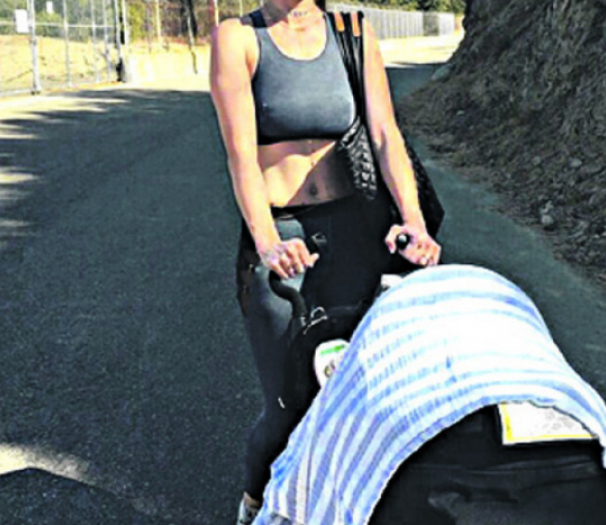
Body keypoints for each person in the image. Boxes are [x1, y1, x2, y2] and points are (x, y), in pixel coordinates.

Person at [208, 1, 442, 523]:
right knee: (288, 404)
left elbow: (385, 135)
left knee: (363, 393)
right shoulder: (238, 39)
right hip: (282, 236)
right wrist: (267, 241)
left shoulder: (352, 31)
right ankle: (255, 504)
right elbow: (241, 155)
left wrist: (414, 220)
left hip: (354, 233)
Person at [253, 265, 606, 525]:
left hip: (424, 456)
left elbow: (307, 478)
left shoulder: (377, 355)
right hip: (577, 450)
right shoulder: (517, 335)